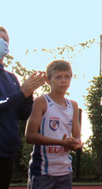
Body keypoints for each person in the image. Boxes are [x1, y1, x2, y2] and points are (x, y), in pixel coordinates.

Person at [0, 26, 46, 189]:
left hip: (6, 149)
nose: (1, 42)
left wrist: (29, 93)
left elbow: (21, 113)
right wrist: (21, 94)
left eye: (5, 39)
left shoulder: (11, 77)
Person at [25, 60, 82, 189]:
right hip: (43, 172)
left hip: (65, 171)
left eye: (67, 77)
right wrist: (61, 143)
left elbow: (77, 136)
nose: (63, 81)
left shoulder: (73, 105)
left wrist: (76, 143)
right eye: (58, 77)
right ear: (48, 80)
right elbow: (30, 136)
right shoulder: (41, 102)